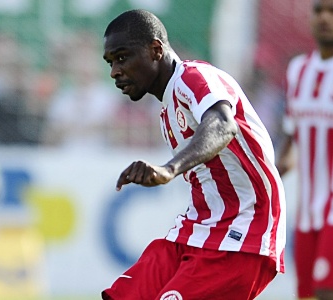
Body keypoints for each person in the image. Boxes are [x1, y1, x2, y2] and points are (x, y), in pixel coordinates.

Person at [101, 9, 286, 300]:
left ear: (155, 49)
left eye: (122, 57)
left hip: (242, 232)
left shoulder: (195, 78)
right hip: (196, 231)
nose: (114, 71)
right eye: (110, 62)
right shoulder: (166, 107)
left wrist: (169, 169)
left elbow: (224, 125)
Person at [276, 1, 333, 299]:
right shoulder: (298, 70)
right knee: (307, 293)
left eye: (332, 12)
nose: (324, 18)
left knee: (326, 289)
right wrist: (270, 176)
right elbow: (290, 135)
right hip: (307, 209)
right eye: (319, 10)